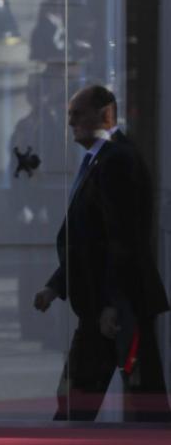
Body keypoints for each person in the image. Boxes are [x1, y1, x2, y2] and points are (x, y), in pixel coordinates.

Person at [34, 85, 170, 422]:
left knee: (136, 399)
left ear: (106, 114)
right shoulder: (101, 159)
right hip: (103, 306)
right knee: (83, 398)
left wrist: (113, 302)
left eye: (78, 114)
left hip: (117, 307)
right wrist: (55, 286)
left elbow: (121, 238)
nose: (71, 123)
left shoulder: (117, 160)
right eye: (69, 115)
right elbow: (86, 239)